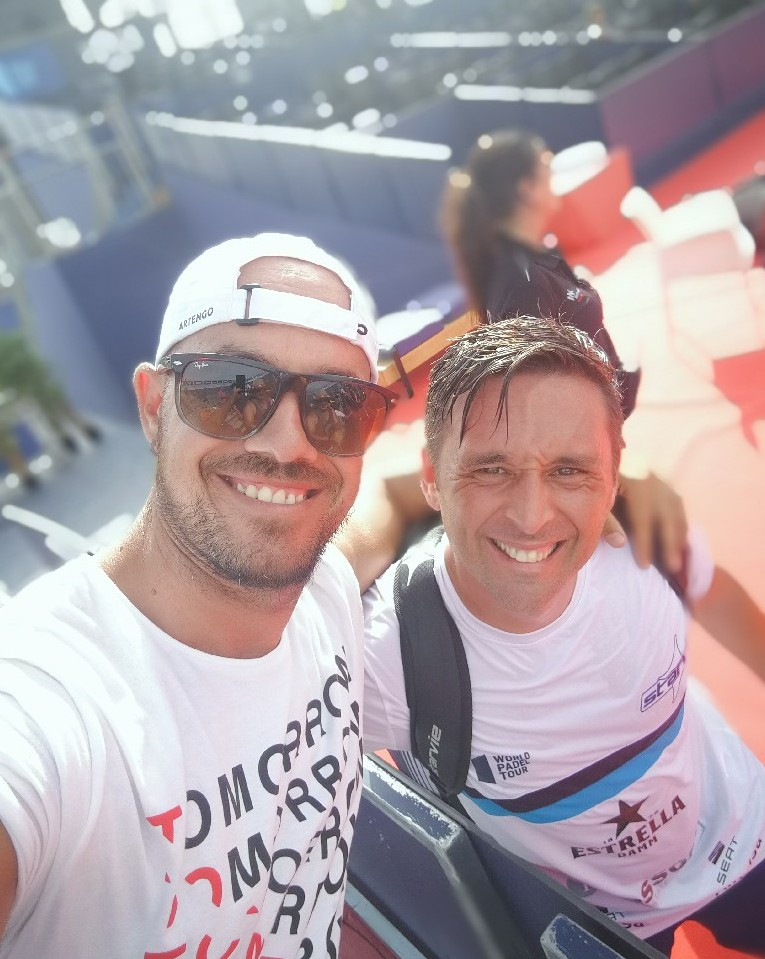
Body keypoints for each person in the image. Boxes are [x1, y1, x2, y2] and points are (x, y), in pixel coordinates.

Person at [0, 233, 399, 958]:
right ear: (154, 406)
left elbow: (387, 511)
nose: (288, 444)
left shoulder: (324, 590)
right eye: (231, 389)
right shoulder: (47, 705)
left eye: (338, 405)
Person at [362, 316, 765, 955]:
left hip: (739, 830)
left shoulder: (647, 536)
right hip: (591, 926)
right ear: (431, 478)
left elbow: (715, 595)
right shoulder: (387, 650)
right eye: (490, 469)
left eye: (570, 470)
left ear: (616, 473)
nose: (532, 517)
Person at [440, 129, 687, 575]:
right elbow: (539, 411)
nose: (556, 180)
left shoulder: (533, 260)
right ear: (526, 189)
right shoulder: (523, 284)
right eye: (548, 171)